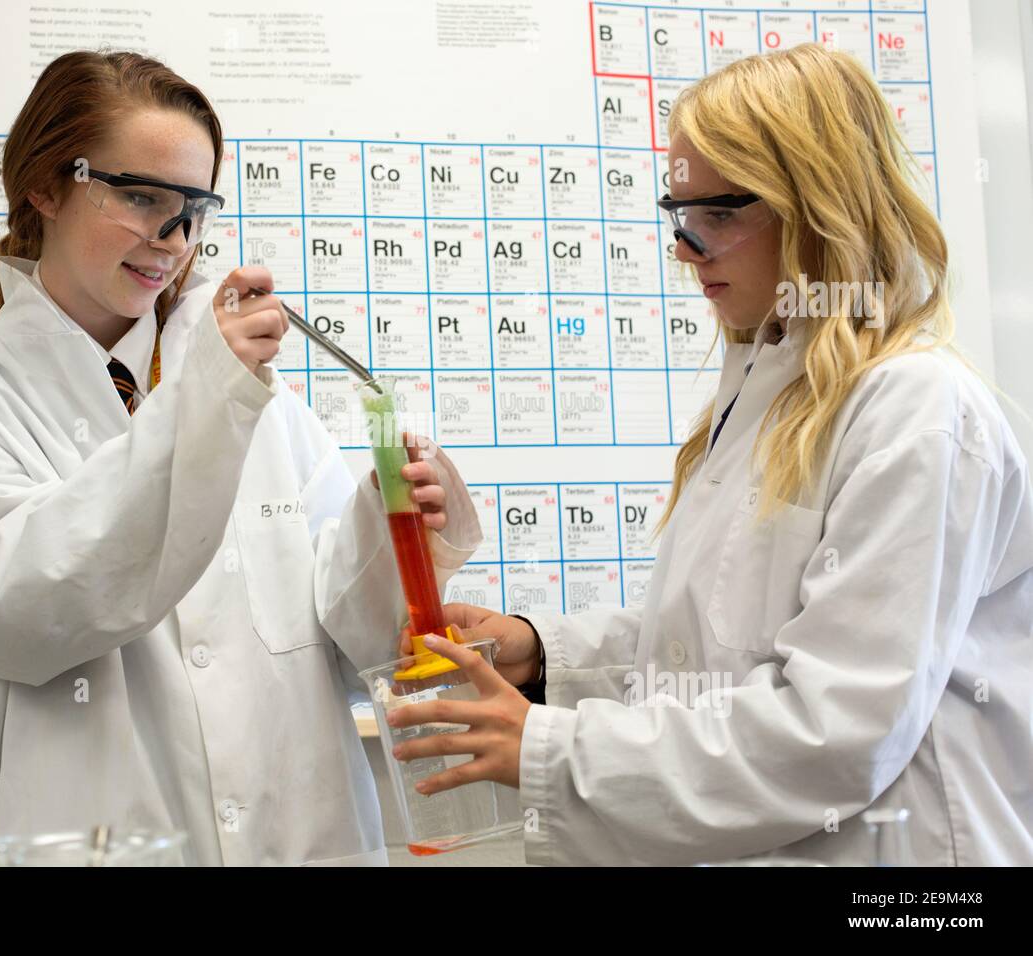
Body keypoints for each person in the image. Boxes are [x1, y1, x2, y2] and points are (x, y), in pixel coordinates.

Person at [388, 44, 1033, 866]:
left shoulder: (915, 411)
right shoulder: (769, 389)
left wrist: (551, 748)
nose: (684, 249)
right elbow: (716, 641)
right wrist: (546, 651)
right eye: (679, 214)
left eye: (719, 216)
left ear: (819, 206)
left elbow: (834, 731)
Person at [0, 50, 481, 866]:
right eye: (140, 197)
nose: (175, 239)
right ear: (46, 186)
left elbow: (358, 648)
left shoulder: (261, 406)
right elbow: (30, 614)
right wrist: (203, 408)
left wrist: (392, 525)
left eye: (194, 207)